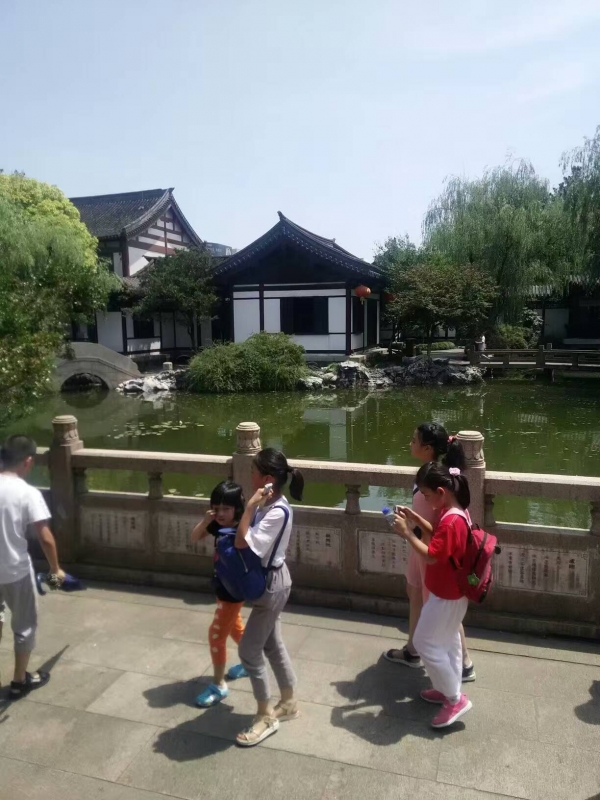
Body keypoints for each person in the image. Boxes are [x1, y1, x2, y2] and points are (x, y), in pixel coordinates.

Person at [384, 423, 475, 681]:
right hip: (421, 546)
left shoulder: (437, 481)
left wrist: (407, 531)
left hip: (429, 551)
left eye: (414, 440)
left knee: (440, 605)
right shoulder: (432, 474)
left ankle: (463, 663)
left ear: (427, 448)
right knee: (415, 593)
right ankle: (413, 651)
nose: (410, 443)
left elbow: (436, 532)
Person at [393, 462, 473, 728]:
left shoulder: (450, 520)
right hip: (453, 593)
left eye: (426, 496)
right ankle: (447, 688)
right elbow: (438, 537)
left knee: (424, 642)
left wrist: (407, 533)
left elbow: (431, 556)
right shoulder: (455, 512)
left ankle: (455, 698)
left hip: (446, 595)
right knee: (449, 641)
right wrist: (416, 520)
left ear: (441, 492)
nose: (425, 501)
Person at [234, 448, 304, 747]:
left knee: (249, 651)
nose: (249, 476)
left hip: (272, 585)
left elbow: (242, 542)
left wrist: (249, 507)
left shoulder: (276, 512)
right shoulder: (270, 504)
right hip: (273, 581)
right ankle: (288, 702)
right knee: (272, 644)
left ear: (266, 479)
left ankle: (265, 716)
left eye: (253, 471)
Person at [0, 435, 65, 697]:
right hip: (14, 570)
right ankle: (19, 681)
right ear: (27, 461)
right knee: (24, 625)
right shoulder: (27, 493)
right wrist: (55, 570)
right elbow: (45, 537)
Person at [191, 480, 248, 707]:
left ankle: (219, 685)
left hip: (233, 592)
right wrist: (206, 521)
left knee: (216, 635)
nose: (221, 513)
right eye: (217, 508)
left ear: (237, 508)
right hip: (222, 586)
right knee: (235, 627)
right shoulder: (217, 524)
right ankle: (251, 662)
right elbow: (195, 537)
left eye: (226, 508)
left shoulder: (242, 528)